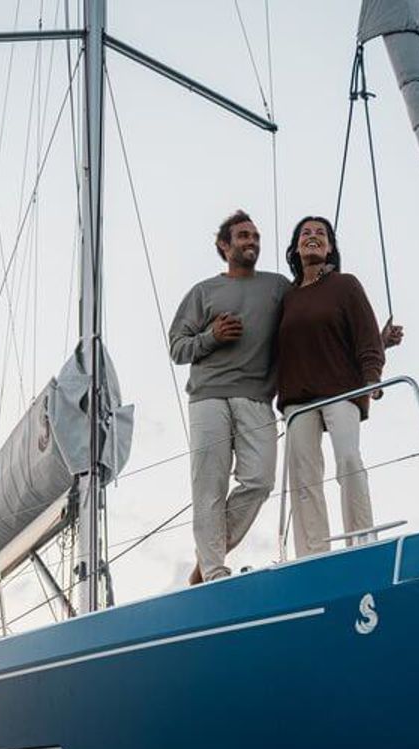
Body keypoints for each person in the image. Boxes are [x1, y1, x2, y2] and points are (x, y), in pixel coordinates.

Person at [167, 209, 290, 583]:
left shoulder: (278, 286)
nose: (251, 242)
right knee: (209, 487)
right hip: (209, 397)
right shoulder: (203, 292)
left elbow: (311, 315)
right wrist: (212, 337)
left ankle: (207, 559)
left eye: (255, 236)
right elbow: (177, 348)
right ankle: (215, 570)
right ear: (224, 245)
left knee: (260, 481)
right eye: (243, 236)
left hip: (256, 397)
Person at [276, 215, 402, 558]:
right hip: (297, 399)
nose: (312, 237)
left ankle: (360, 542)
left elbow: (365, 336)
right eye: (305, 233)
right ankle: (312, 554)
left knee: (348, 459)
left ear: (330, 247)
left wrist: (372, 377)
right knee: (303, 476)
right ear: (295, 247)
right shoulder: (286, 299)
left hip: (341, 392)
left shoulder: (345, 285)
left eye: (321, 233)